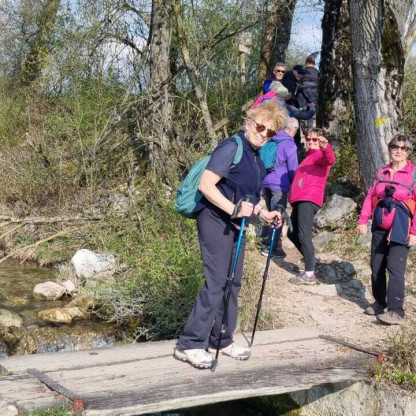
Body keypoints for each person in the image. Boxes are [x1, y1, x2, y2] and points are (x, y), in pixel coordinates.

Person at [174, 100, 286, 369]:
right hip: (214, 219)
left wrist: (264, 213)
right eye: (260, 127)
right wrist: (233, 209)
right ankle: (189, 344)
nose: (263, 134)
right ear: (249, 123)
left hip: (236, 224)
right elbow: (207, 185)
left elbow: (247, 195)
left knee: (232, 283)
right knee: (216, 283)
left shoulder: (256, 156)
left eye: (270, 132)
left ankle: (221, 340)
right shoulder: (231, 147)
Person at [357, 135, 416, 325]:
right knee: (376, 266)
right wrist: (363, 219)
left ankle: (396, 311)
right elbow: (370, 196)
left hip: (401, 228)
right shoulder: (382, 172)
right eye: (395, 146)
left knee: (395, 268)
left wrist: (414, 232)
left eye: (403, 148)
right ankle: (380, 302)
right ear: (390, 149)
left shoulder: (413, 174)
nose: (398, 150)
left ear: (408, 152)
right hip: (380, 226)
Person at [287, 128, 335, 285]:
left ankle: (309, 274)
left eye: (315, 139)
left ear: (321, 140)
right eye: (309, 139)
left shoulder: (320, 155)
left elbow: (330, 159)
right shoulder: (308, 157)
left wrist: (325, 147)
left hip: (309, 199)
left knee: (303, 235)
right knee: (291, 233)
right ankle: (311, 262)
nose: (311, 142)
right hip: (299, 199)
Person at [261, 117, 299, 258]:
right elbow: (293, 168)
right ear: (294, 130)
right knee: (278, 216)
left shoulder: (272, 139)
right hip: (279, 184)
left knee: (271, 213)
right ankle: (271, 247)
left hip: (266, 182)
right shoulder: (289, 144)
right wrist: (294, 185)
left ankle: (268, 241)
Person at [295, 55, 319, 128]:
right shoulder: (317, 72)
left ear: (306, 62)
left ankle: (297, 129)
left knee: (299, 113)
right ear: (314, 63)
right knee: (310, 112)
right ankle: (309, 129)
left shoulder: (303, 71)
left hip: (302, 96)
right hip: (313, 96)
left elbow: (298, 81)